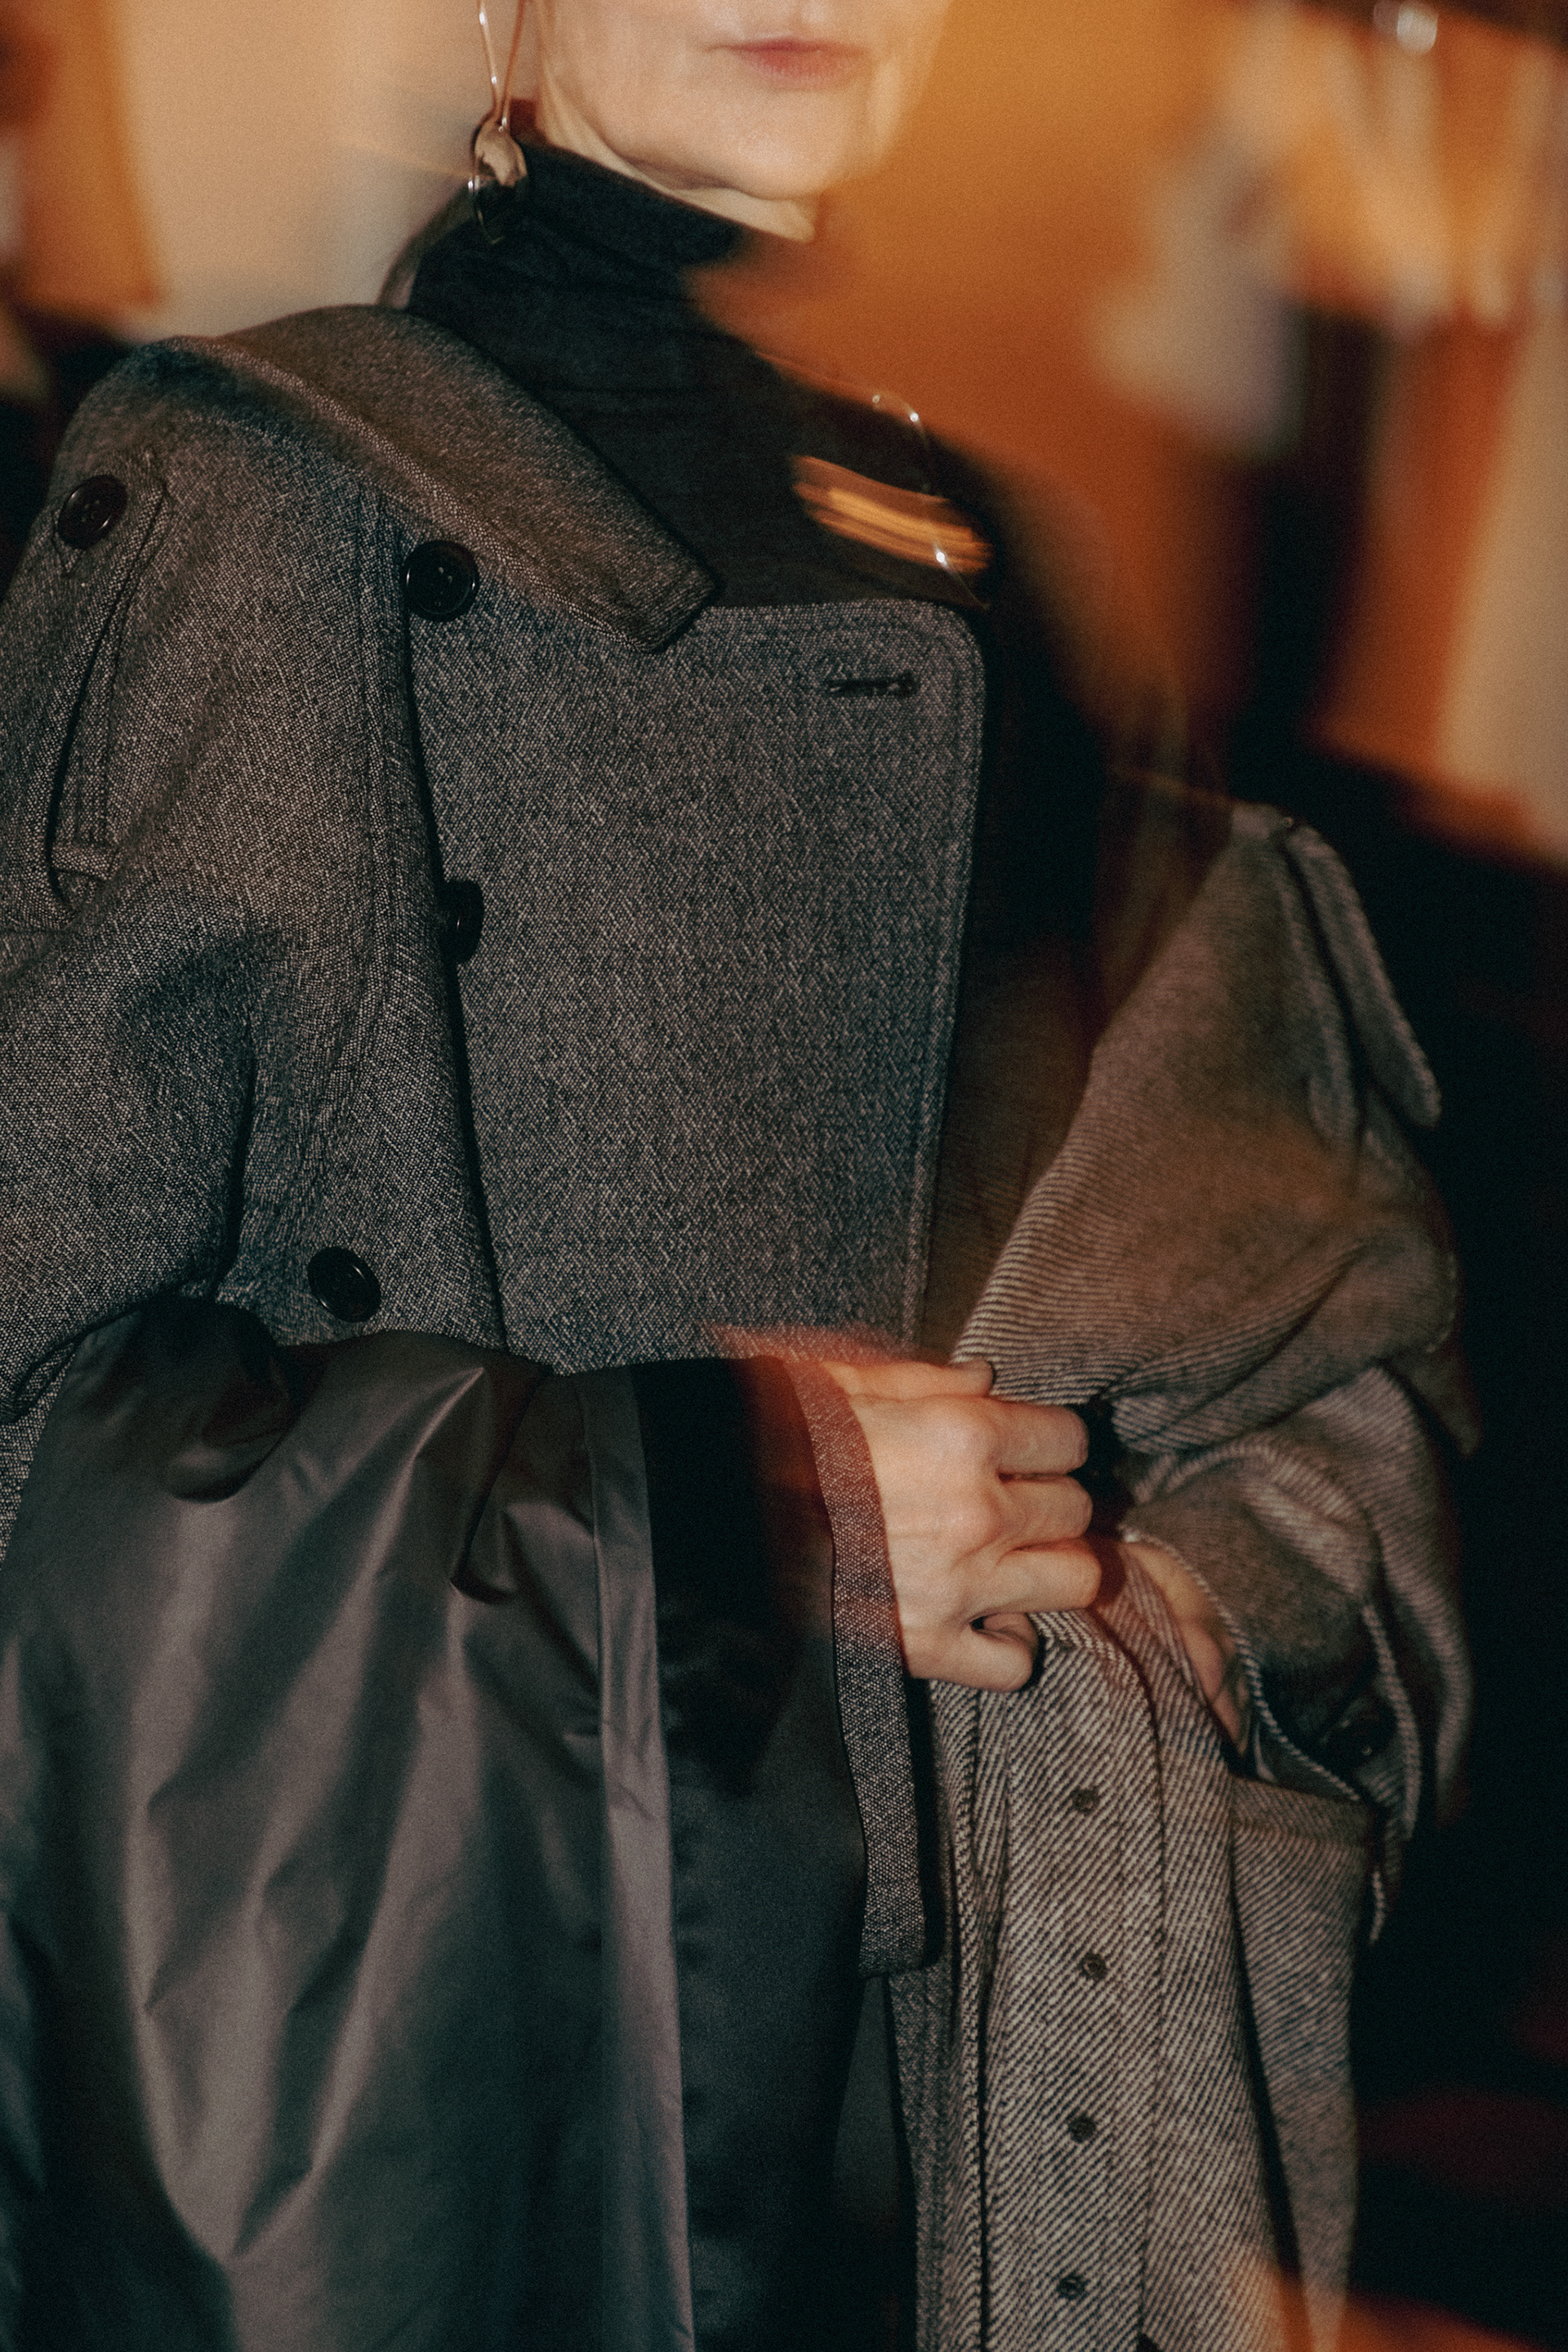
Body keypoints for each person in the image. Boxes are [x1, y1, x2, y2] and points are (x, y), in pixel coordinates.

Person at [0, 2, 1471, 2348]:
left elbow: (1329, 1338)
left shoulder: (1038, 570)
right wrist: (737, 1502)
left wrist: (1185, 1593)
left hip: (998, 2117)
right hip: (512, 2115)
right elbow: (30, 1420)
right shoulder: (258, 501)